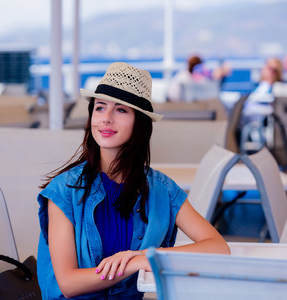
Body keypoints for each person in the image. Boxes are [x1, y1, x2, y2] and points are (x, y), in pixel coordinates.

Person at [37, 62, 230, 299]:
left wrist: (148, 256)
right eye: (100, 107)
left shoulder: (162, 190)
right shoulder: (64, 190)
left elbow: (218, 247)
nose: (106, 118)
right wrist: (132, 263)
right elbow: (69, 283)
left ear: (139, 123)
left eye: (120, 110)